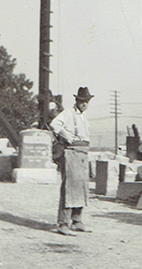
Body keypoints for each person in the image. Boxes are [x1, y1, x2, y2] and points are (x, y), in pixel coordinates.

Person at [50, 86, 93, 236]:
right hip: (71, 153)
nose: (84, 104)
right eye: (82, 101)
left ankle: (77, 221)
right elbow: (55, 124)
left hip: (82, 154)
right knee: (69, 188)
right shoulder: (68, 113)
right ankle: (63, 223)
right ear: (76, 100)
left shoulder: (83, 116)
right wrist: (66, 135)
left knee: (81, 188)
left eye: (87, 101)